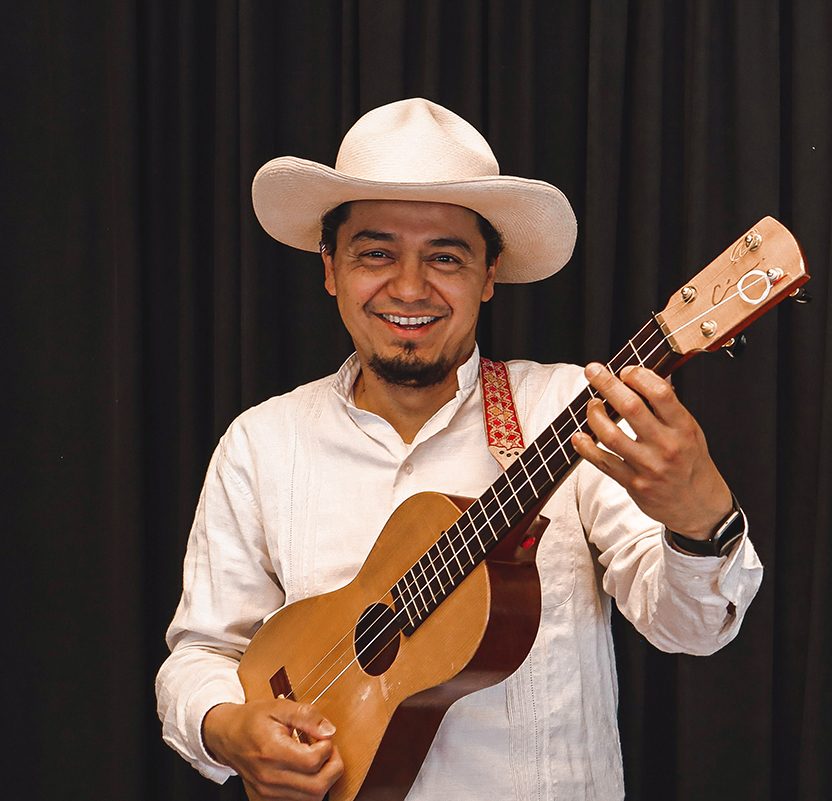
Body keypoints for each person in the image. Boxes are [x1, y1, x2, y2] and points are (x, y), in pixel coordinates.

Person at [156, 98, 763, 801]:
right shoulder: (261, 444)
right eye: (375, 252)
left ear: (489, 273)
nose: (409, 287)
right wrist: (229, 727)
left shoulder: (569, 413)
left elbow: (690, 628)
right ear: (329, 267)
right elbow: (200, 653)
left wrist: (701, 520)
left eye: (445, 256)